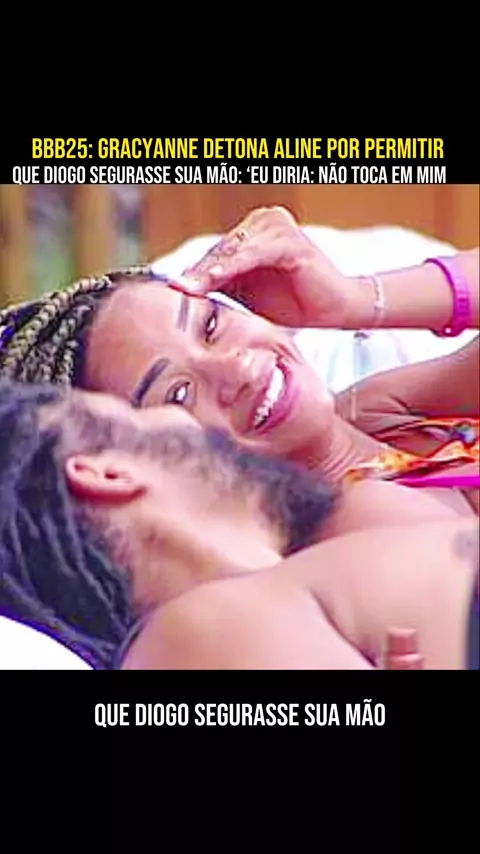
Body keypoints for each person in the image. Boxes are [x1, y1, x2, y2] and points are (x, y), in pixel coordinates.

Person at [0, 208, 478, 535]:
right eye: (179, 394)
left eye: (211, 325)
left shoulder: (374, 412)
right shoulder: (348, 532)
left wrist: (352, 299)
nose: (237, 368)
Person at [0, 380, 477, 671]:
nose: (181, 417)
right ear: (106, 472)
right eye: (138, 411)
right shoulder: (194, 642)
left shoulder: (355, 530)